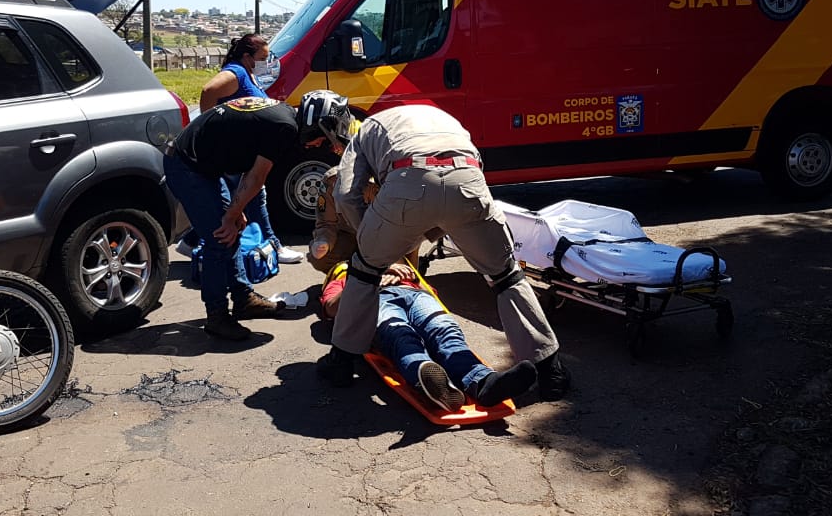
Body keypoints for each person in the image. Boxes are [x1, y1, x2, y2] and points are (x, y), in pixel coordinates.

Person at [297, 90, 570, 400]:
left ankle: (341, 362)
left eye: (325, 143)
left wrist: (373, 245)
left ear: (334, 127)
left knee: (364, 271)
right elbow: (465, 174)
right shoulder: (437, 119)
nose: (331, 150)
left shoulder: (367, 132)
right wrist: (432, 229)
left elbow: (346, 195)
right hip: (468, 182)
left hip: (409, 179)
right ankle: (551, 371)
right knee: (506, 277)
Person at [164, 95, 301, 340]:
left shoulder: (282, 112)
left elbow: (246, 165)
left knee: (231, 231)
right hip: (187, 165)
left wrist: (235, 213)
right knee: (219, 237)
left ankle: (243, 298)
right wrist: (231, 216)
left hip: (205, 165)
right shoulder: (285, 128)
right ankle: (216, 316)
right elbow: (256, 178)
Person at [320, 261, 537, 410]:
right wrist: (362, 282)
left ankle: (485, 383)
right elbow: (331, 308)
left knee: (445, 331)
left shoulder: (397, 271)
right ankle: (431, 384)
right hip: (375, 300)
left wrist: (406, 274)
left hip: (415, 295)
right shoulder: (341, 283)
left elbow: (430, 292)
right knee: (401, 337)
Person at [176, 33, 304, 265]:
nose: (267, 62)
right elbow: (209, 90)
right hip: (228, 148)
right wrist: (208, 127)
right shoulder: (236, 73)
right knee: (253, 195)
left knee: (242, 199)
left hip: (241, 149)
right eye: (263, 57)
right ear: (247, 57)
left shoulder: (251, 75)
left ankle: (190, 241)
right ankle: (273, 244)